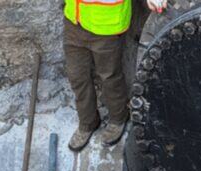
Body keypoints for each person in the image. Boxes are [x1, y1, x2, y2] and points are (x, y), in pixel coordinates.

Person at [62, 0, 167, 151]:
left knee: (109, 77)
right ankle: (87, 122)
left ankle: (118, 118)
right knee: (77, 76)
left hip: (107, 25)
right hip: (74, 20)